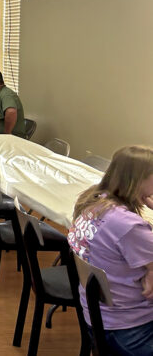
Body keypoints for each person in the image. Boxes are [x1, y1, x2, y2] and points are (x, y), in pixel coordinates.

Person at [68, 145, 153, 356]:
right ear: (138, 179)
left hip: (98, 318)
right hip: (128, 329)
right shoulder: (129, 226)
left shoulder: (92, 202)